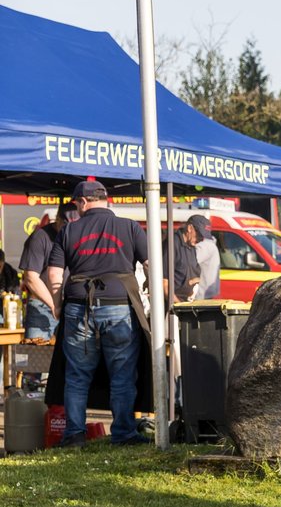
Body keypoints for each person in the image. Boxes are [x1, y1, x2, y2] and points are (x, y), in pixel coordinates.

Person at [47, 180, 150, 447]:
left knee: (77, 375)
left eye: (76, 204)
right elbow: (151, 265)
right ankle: (124, 434)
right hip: (119, 306)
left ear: (83, 201)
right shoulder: (130, 227)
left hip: (78, 307)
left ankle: (74, 435)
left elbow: (55, 274)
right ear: (105, 200)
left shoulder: (69, 231)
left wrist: (58, 304)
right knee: (122, 373)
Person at [18, 201, 77, 340]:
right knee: (38, 354)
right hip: (41, 307)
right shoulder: (39, 237)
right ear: (57, 219)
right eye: (67, 225)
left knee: (66, 359)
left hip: (69, 307)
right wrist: (54, 305)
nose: (70, 230)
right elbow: (31, 277)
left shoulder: (75, 237)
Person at [162, 220, 201, 305]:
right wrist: (179, 306)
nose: (200, 239)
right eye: (199, 235)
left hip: (187, 302)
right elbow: (164, 284)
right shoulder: (172, 244)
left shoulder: (192, 246)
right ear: (190, 228)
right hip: (173, 305)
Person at [189, 215, 220, 300]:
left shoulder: (204, 246)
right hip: (208, 293)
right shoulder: (211, 244)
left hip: (202, 294)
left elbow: (188, 261)